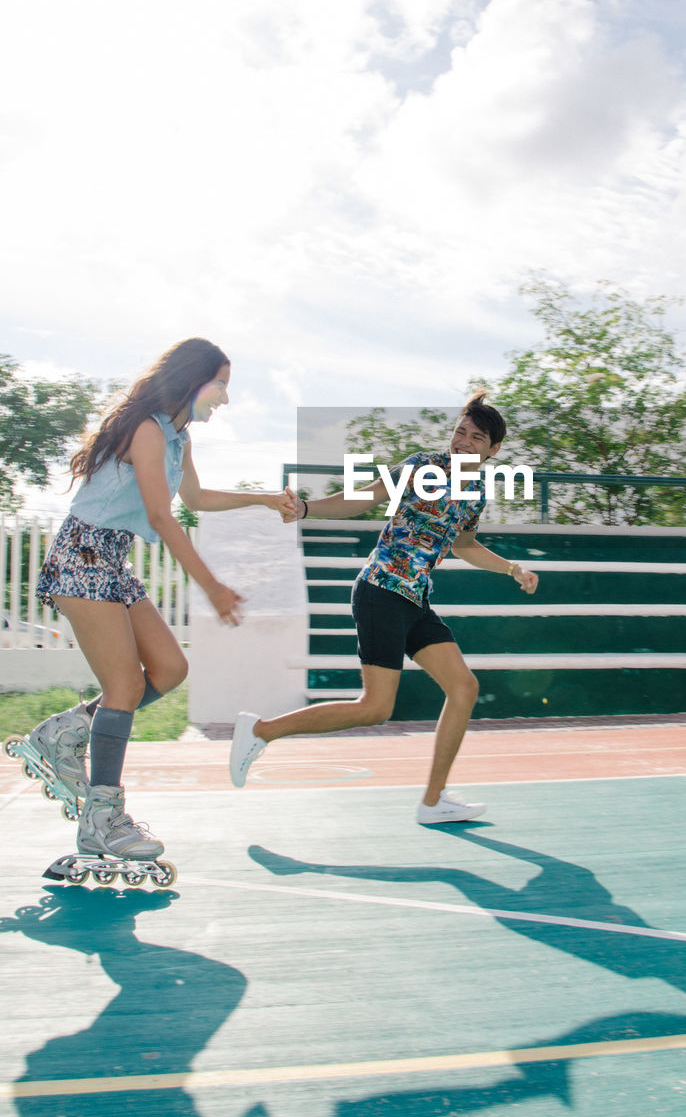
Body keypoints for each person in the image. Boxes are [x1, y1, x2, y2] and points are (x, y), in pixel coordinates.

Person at [29, 337, 289, 862]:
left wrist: (261, 498)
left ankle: (65, 731)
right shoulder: (145, 431)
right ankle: (101, 818)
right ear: (194, 381)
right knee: (124, 685)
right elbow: (160, 516)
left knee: (169, 669)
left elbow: (194, 499)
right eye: (221, 386)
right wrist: (211, 585)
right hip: (83, 555)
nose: (226, 399)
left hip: (112, 560)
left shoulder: (178, 440)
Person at [229, 393, 539, 823]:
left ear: (493, 450)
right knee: (375, 708)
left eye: (476, 437)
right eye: (460, 431)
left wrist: (511, 569)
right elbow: (365, 497)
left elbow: (465, 545)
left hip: (414, 599)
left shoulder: (475, 492)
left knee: (463, 688)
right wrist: (305, 508)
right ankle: (260, 731)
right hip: (381, 590)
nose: (463, 442)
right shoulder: (422, 467)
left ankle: (433, 802)